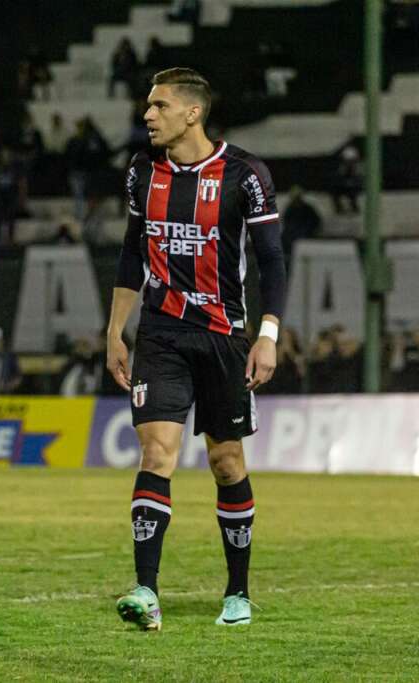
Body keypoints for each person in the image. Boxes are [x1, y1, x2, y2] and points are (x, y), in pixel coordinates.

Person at [106, 68, 286, 631]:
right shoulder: (141, 172)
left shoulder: (245, 175)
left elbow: (272, 261)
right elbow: (133, 250)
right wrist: (116, 330)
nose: (147, 115)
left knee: (225, 461)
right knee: (157, 452)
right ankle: (146, 590)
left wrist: (269, 333)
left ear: (192, 113)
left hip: (225, 336)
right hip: (160, 334)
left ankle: (237, 591)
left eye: (158, 106)